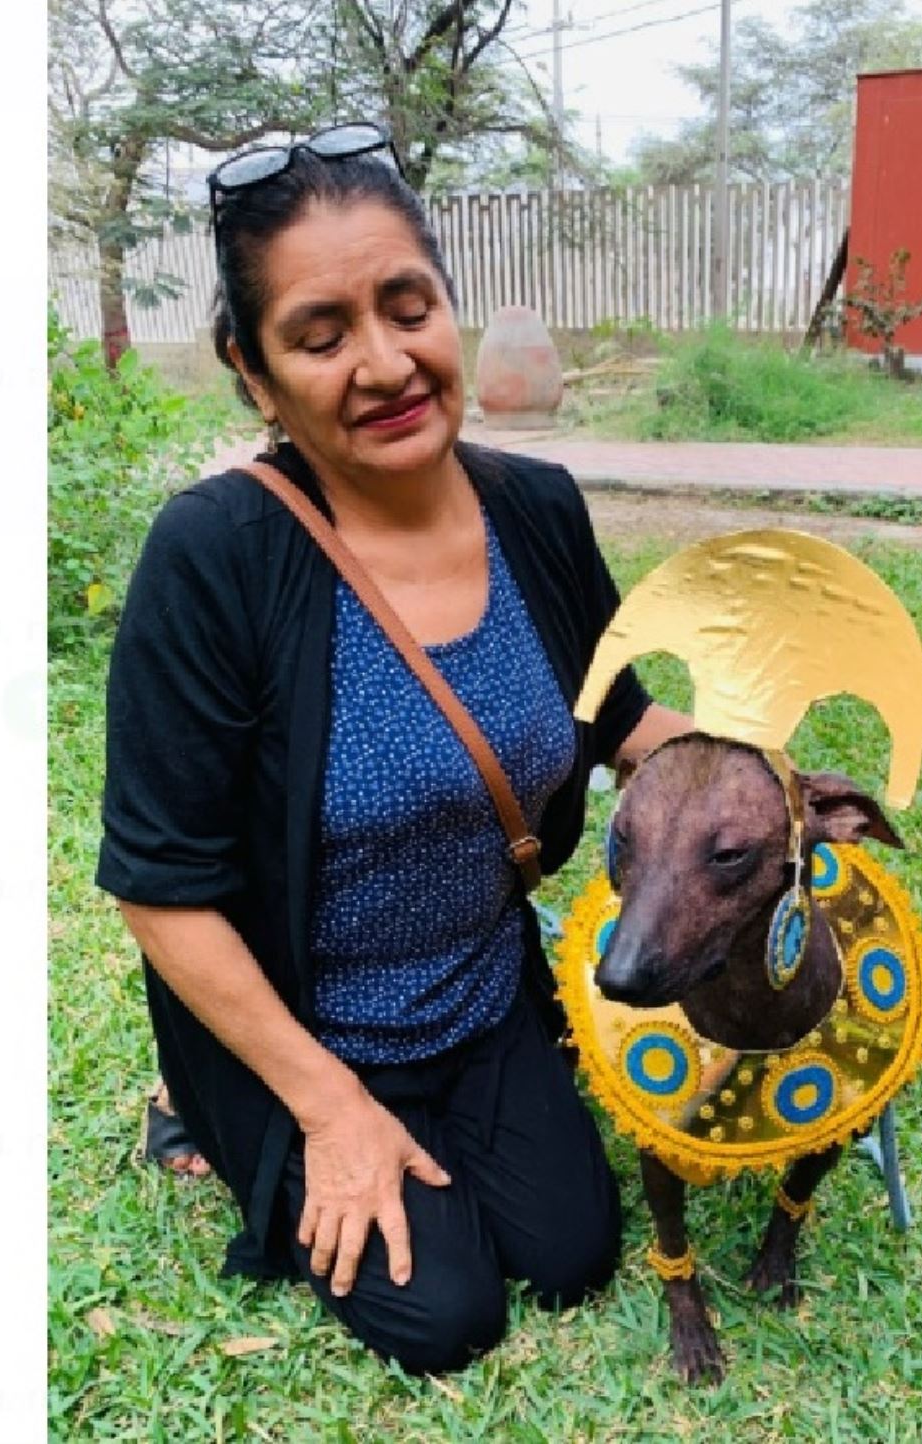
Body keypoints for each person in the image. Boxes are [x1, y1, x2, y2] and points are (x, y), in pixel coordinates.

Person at [95, 122, 687, 1376]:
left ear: (447, 310)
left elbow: (622, 712)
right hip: (307, 1021)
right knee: (447, 1315)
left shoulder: (539, 507)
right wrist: (325, 1106)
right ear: (255, 376)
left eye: (407, 306)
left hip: (478, 990)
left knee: (575, 1251)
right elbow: (160, 888)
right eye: (319, 336)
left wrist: (750, 776)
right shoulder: (217, 556)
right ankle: (203, 1104)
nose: (384, 362)